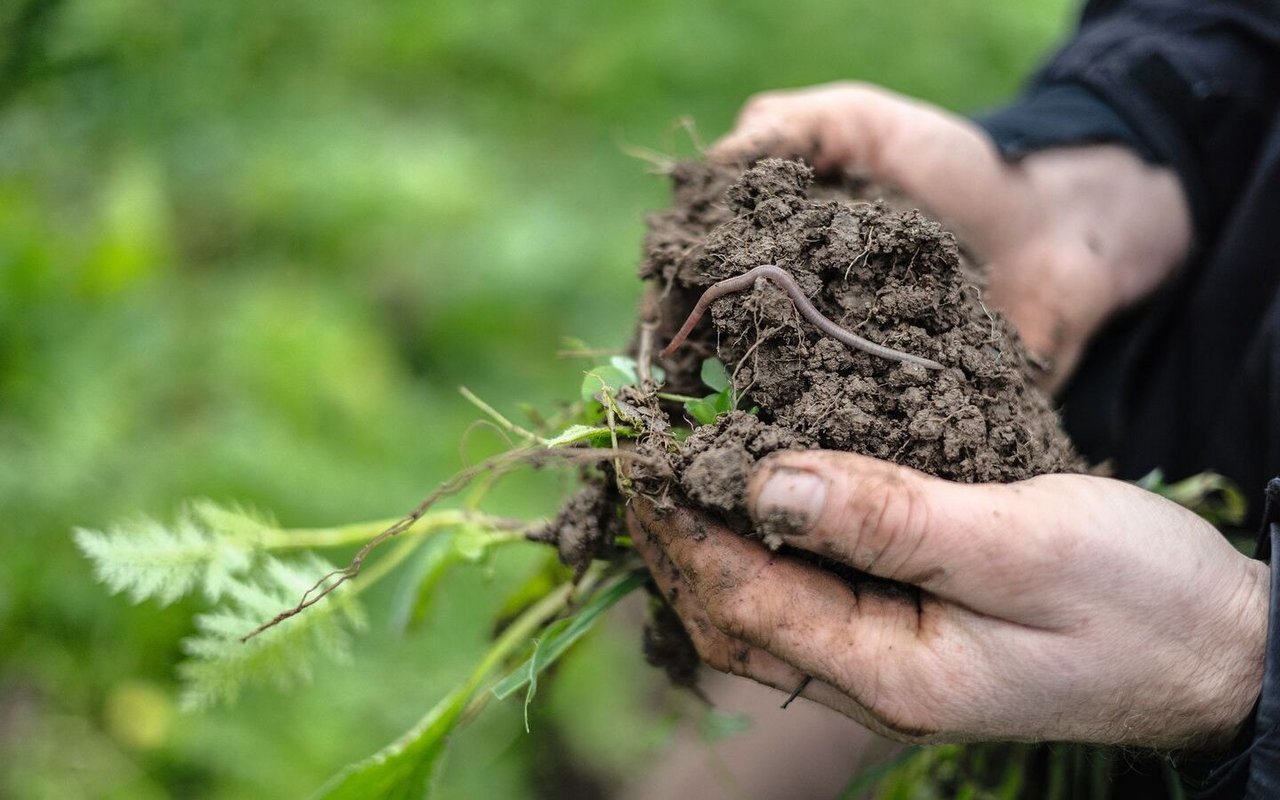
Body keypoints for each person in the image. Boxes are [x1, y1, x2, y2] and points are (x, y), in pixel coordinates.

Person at [628, 1, 1280, 795]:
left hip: (1130, 587)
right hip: (1080, 426)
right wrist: (1115, 155)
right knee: (798, 653)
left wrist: (1247, 661)